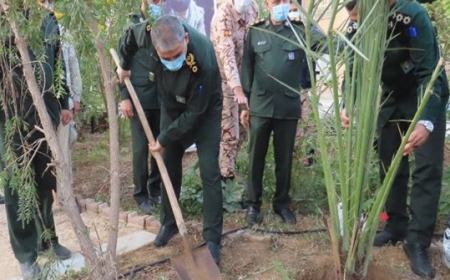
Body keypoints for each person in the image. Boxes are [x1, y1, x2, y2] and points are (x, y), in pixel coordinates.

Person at [341, 1, 449, 278]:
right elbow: (352, 66)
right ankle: (396, 225)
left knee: (427, 168)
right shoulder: (358, 22)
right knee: (389, 162)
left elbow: (429, 72)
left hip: (424, 94)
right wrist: (348, 102)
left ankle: (417, 241)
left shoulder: (412, 15)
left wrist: (426, 122)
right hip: (392, 98)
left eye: (360, 14)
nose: (357, 21)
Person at [116, 15, 224, 264]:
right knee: (169, 165)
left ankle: (213, 240)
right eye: (166, 58)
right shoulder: (145, 33)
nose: (172, 61)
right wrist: (124, 65)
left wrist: (163, 137)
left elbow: (195, 113)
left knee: (209, 172)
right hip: (171, 106)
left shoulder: (203, 58)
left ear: (185, 38)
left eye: (177, 55)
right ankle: (169, 222)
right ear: (155, 48)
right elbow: (128, 40)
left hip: (204, 112)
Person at [0, 2, 73, 278]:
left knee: (45, 178)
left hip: (46, 112)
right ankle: (27, 254)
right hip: (10, 117)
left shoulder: (47, 18)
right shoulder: (4, 17)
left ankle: (48, 240)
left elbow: (57, 62)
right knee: (18, 185)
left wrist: (63, 102)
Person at [240, 0, 326, 225]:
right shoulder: (256, 31)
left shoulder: (299, 31)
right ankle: (252, 203)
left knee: (284, 158)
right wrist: (244, 106)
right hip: (260, 106)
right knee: (255, 157)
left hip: (287, 106)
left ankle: (281, 203)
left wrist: (310, 22)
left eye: (285, 1)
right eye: (276, 1)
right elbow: (247, 70)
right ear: (267, 4)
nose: (280, 5)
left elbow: (324, 44)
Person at [118, 1, 162, 215]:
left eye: (160, 1)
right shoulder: (131, 25)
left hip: (162, 98)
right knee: (140, 149)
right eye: (153, 1)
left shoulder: (164, 24)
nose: (157, 4)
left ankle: (156, 190)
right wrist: (125, 97)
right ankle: (141, 195)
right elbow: (121, 64)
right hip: (139, 99)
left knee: (160, 146)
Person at [210, 0, 258, 183]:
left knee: (245, 127)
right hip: (226, 82)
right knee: (230, 131)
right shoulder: (223, 16)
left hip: (246, 79)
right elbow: (227, 54)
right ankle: (225, 178)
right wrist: (237, 89)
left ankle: (228, 164)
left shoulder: (253, 8)